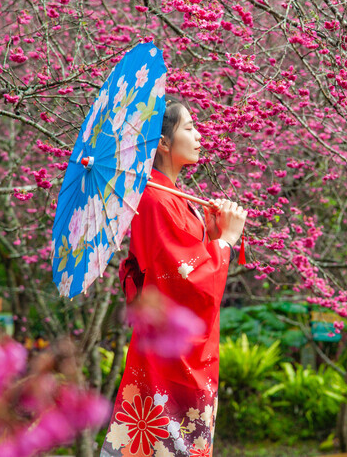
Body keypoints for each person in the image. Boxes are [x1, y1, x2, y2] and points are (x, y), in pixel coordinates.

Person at [100, 101, 247, 457]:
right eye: (190, 128)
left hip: (177, 349)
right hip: (169, 353)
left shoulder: (170, 197)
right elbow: (185, 282)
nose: (199, 137)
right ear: (163, 143)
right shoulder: (155, 198)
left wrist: (211, 235)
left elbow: (184, 263)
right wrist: (225, 242)